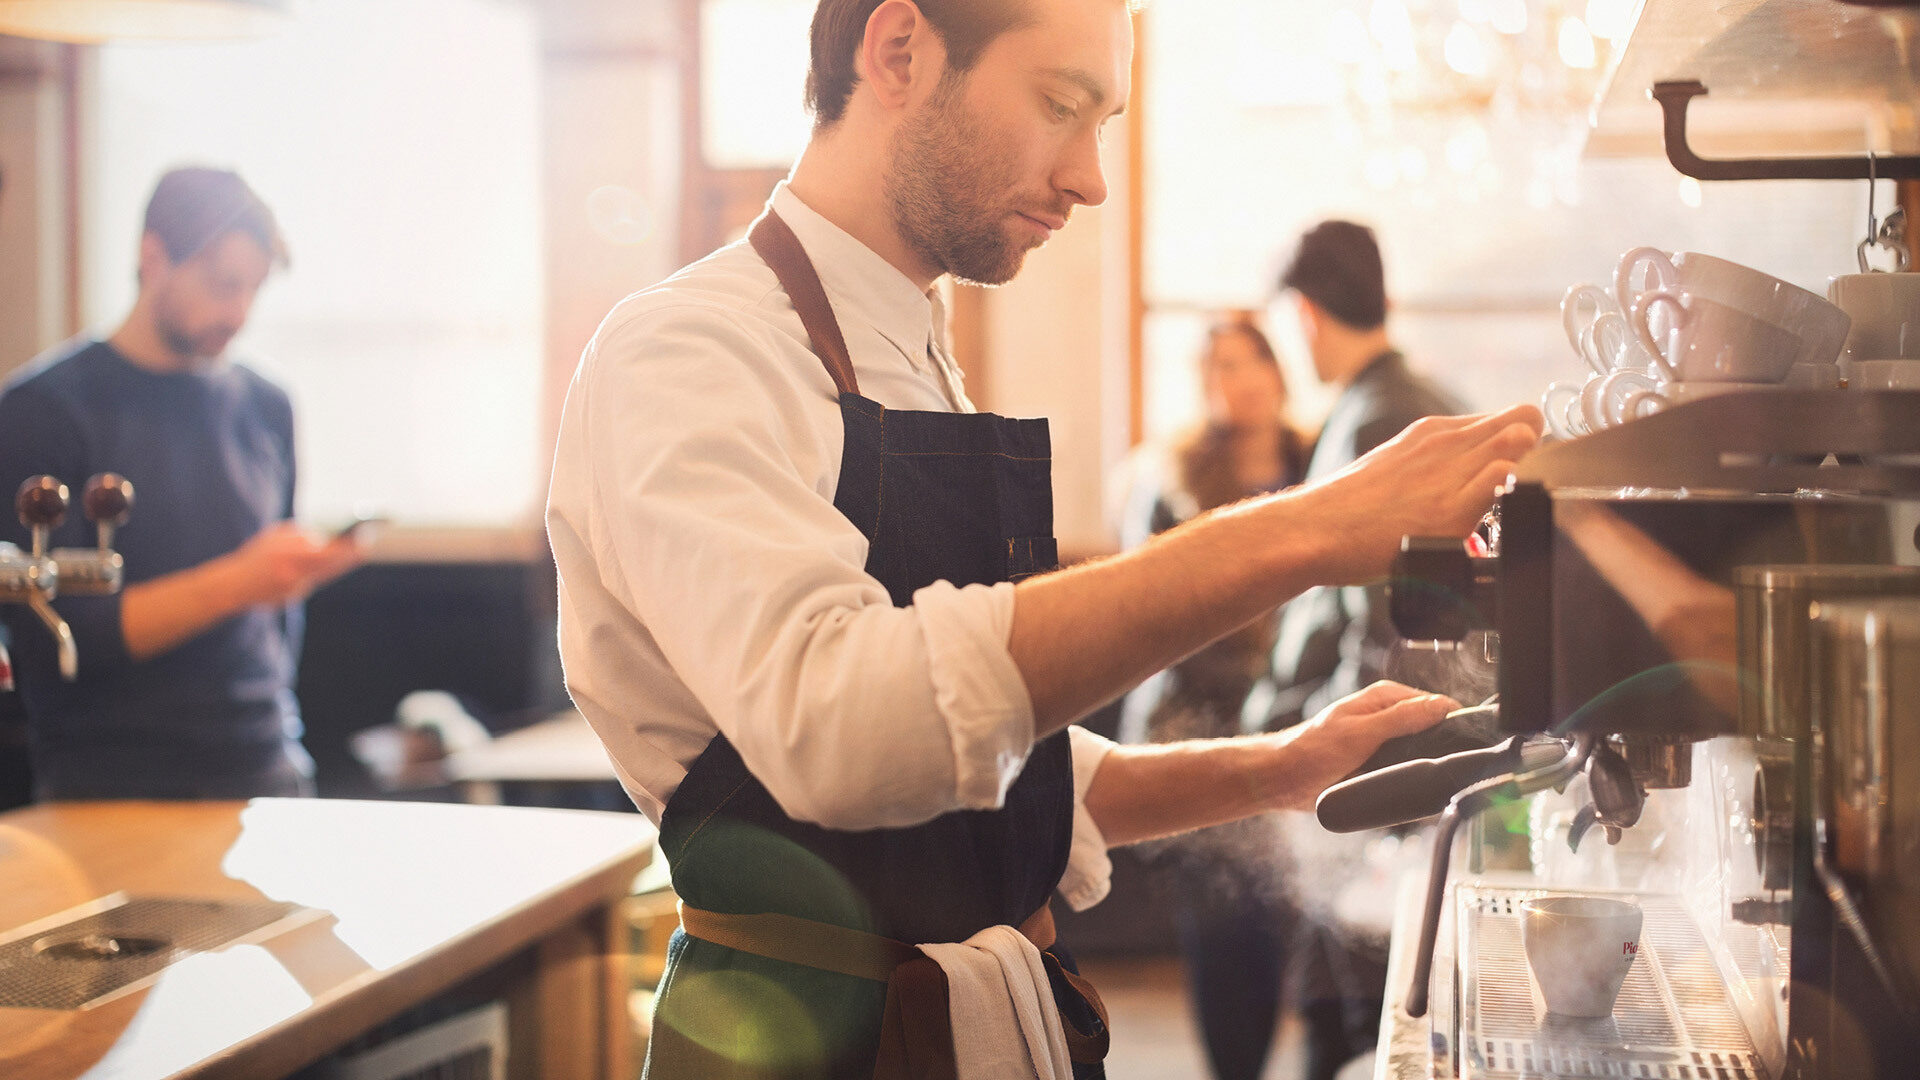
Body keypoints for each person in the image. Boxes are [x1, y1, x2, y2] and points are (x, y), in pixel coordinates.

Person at [545, 2, 1540, 1076]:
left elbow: (996, 771)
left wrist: (1281, 768)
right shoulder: (688, 351)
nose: (1090, 178)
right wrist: (1310, 528)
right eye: (1061, 106)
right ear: (899, 53)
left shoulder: (914, 351)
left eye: (1102, 122)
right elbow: (839, 727)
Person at [0, 167, 365, 801]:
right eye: (224, 284)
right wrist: (241, 582)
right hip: (108, 786)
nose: (239, 312)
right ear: (152, 256)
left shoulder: (266, 404)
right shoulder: (42, 411)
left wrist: (280, 577)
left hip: (267, 765)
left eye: (254, 289)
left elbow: (278, 626)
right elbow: (57, 642)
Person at [1244, 219, 1469, 1080]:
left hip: (1367, 790)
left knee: (1345, 1030)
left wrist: (1323, 762)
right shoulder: (1422, 401)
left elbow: (1393, 636)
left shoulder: (1378, 421)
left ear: (1303, 316)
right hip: (1395, 780)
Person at [1114, 314, 1309, 1080]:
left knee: (1278, 929)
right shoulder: (1176, 481)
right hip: (1197, 736)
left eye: (1246, 363)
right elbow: (1144, 615)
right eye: (1215, 369)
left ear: (1276, 370)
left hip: (1298, 729)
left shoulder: (1320, 461)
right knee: (1221, 931)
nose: (1233, 382)